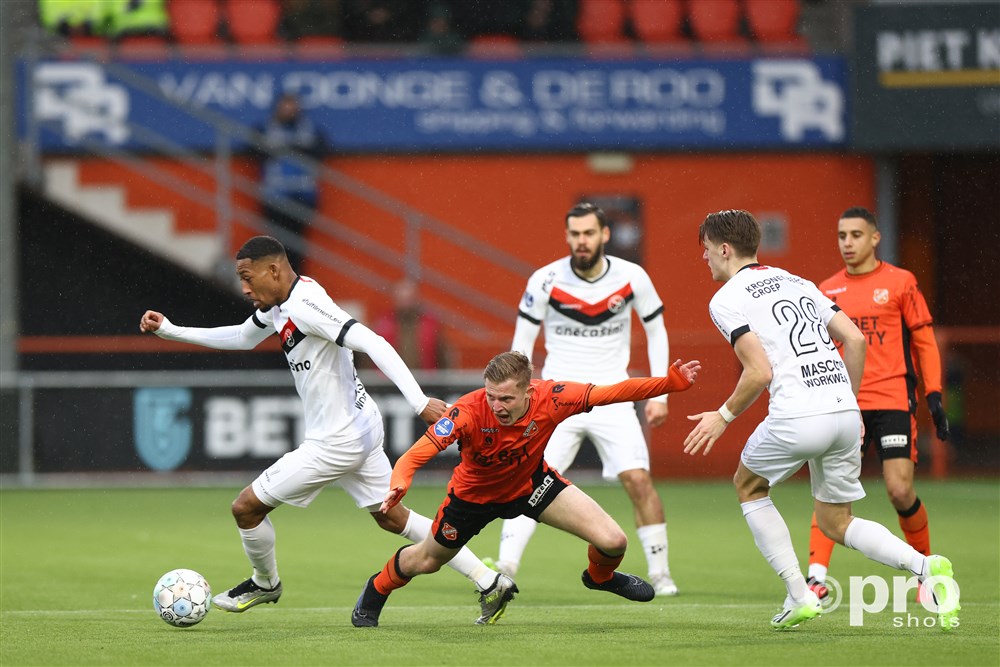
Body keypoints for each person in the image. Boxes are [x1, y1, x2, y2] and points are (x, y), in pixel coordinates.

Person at [138, 236, 502, 623]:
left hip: (337, 441)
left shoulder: (307, 305)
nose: (243, 287)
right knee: (393, 518)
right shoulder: (280, 306)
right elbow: (242, 337)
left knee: (246, 508)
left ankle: (265, 583)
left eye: (247, 277)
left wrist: (418, 401)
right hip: (360, 426)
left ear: (273, 270)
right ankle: (488, 579)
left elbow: (372, 340)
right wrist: (171, 330)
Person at [684, 209, 959, 631]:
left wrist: (722, 417)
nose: (704, 259)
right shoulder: (799, 282)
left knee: (749, 485)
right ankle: (926, 566)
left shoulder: (725, 298)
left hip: (798, 414)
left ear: (724, 249)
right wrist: (848, 401)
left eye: (705, 250)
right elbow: (855, 339)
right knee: (836, 522)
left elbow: (759, 371)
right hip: (845, 412)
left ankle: (799, 595)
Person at [351, 351, 701, 628]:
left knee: (613, 541)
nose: (497, 406)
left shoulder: (554, 397)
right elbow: (418, 452)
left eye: (505, 398)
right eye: (491, 397)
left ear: (529, 391)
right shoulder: (468, 411)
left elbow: (614, 393)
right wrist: (401, 480)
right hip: (471, 500)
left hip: (532, 485)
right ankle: (376, 589)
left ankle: (599, 577)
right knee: (426, 560)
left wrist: (669, 383)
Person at [490, 202, 680, 597]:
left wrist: (660, 391)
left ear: (604, 235)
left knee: (638, 481)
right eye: (574, 234)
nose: (581, 241)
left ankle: (661, 575)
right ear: (567, 236)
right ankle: (505, 568)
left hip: (612, 396)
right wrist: (518, 395)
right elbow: (521, 344)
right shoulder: (544, 280)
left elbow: (656, 331)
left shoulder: (632, 277)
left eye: (589, 233)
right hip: (556, 399)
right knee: (529, 484)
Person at [805, 206, 951, 602]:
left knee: (900, 491)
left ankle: (926, 571)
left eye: (855, 234)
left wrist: (934, 393)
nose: (847, 243)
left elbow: (923, 338)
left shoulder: (901, 282)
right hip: (845, 403)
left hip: (890, 400)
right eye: (841, 235)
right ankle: (815, 578)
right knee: (833, 493)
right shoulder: (825, 290)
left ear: (874, 238)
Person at [255, 94, 328, 273]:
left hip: (303, 197)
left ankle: (295, 284)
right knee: (277, 245)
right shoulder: (265, 129)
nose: (288, 110)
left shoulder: (310, 130)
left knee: (297, 245)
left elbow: (322, 150)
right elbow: (253, 149)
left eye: (292, 105)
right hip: (275, 198)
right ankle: (280, 283)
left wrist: (289, 149)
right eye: (285, 105)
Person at [372, 278, 451, 370]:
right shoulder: (382, 325)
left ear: (416, 299)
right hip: (389, 381)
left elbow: (443, 356)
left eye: (408, 299)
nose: (405, 303)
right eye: (402, 299)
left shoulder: (431, 325)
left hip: (425, 380)